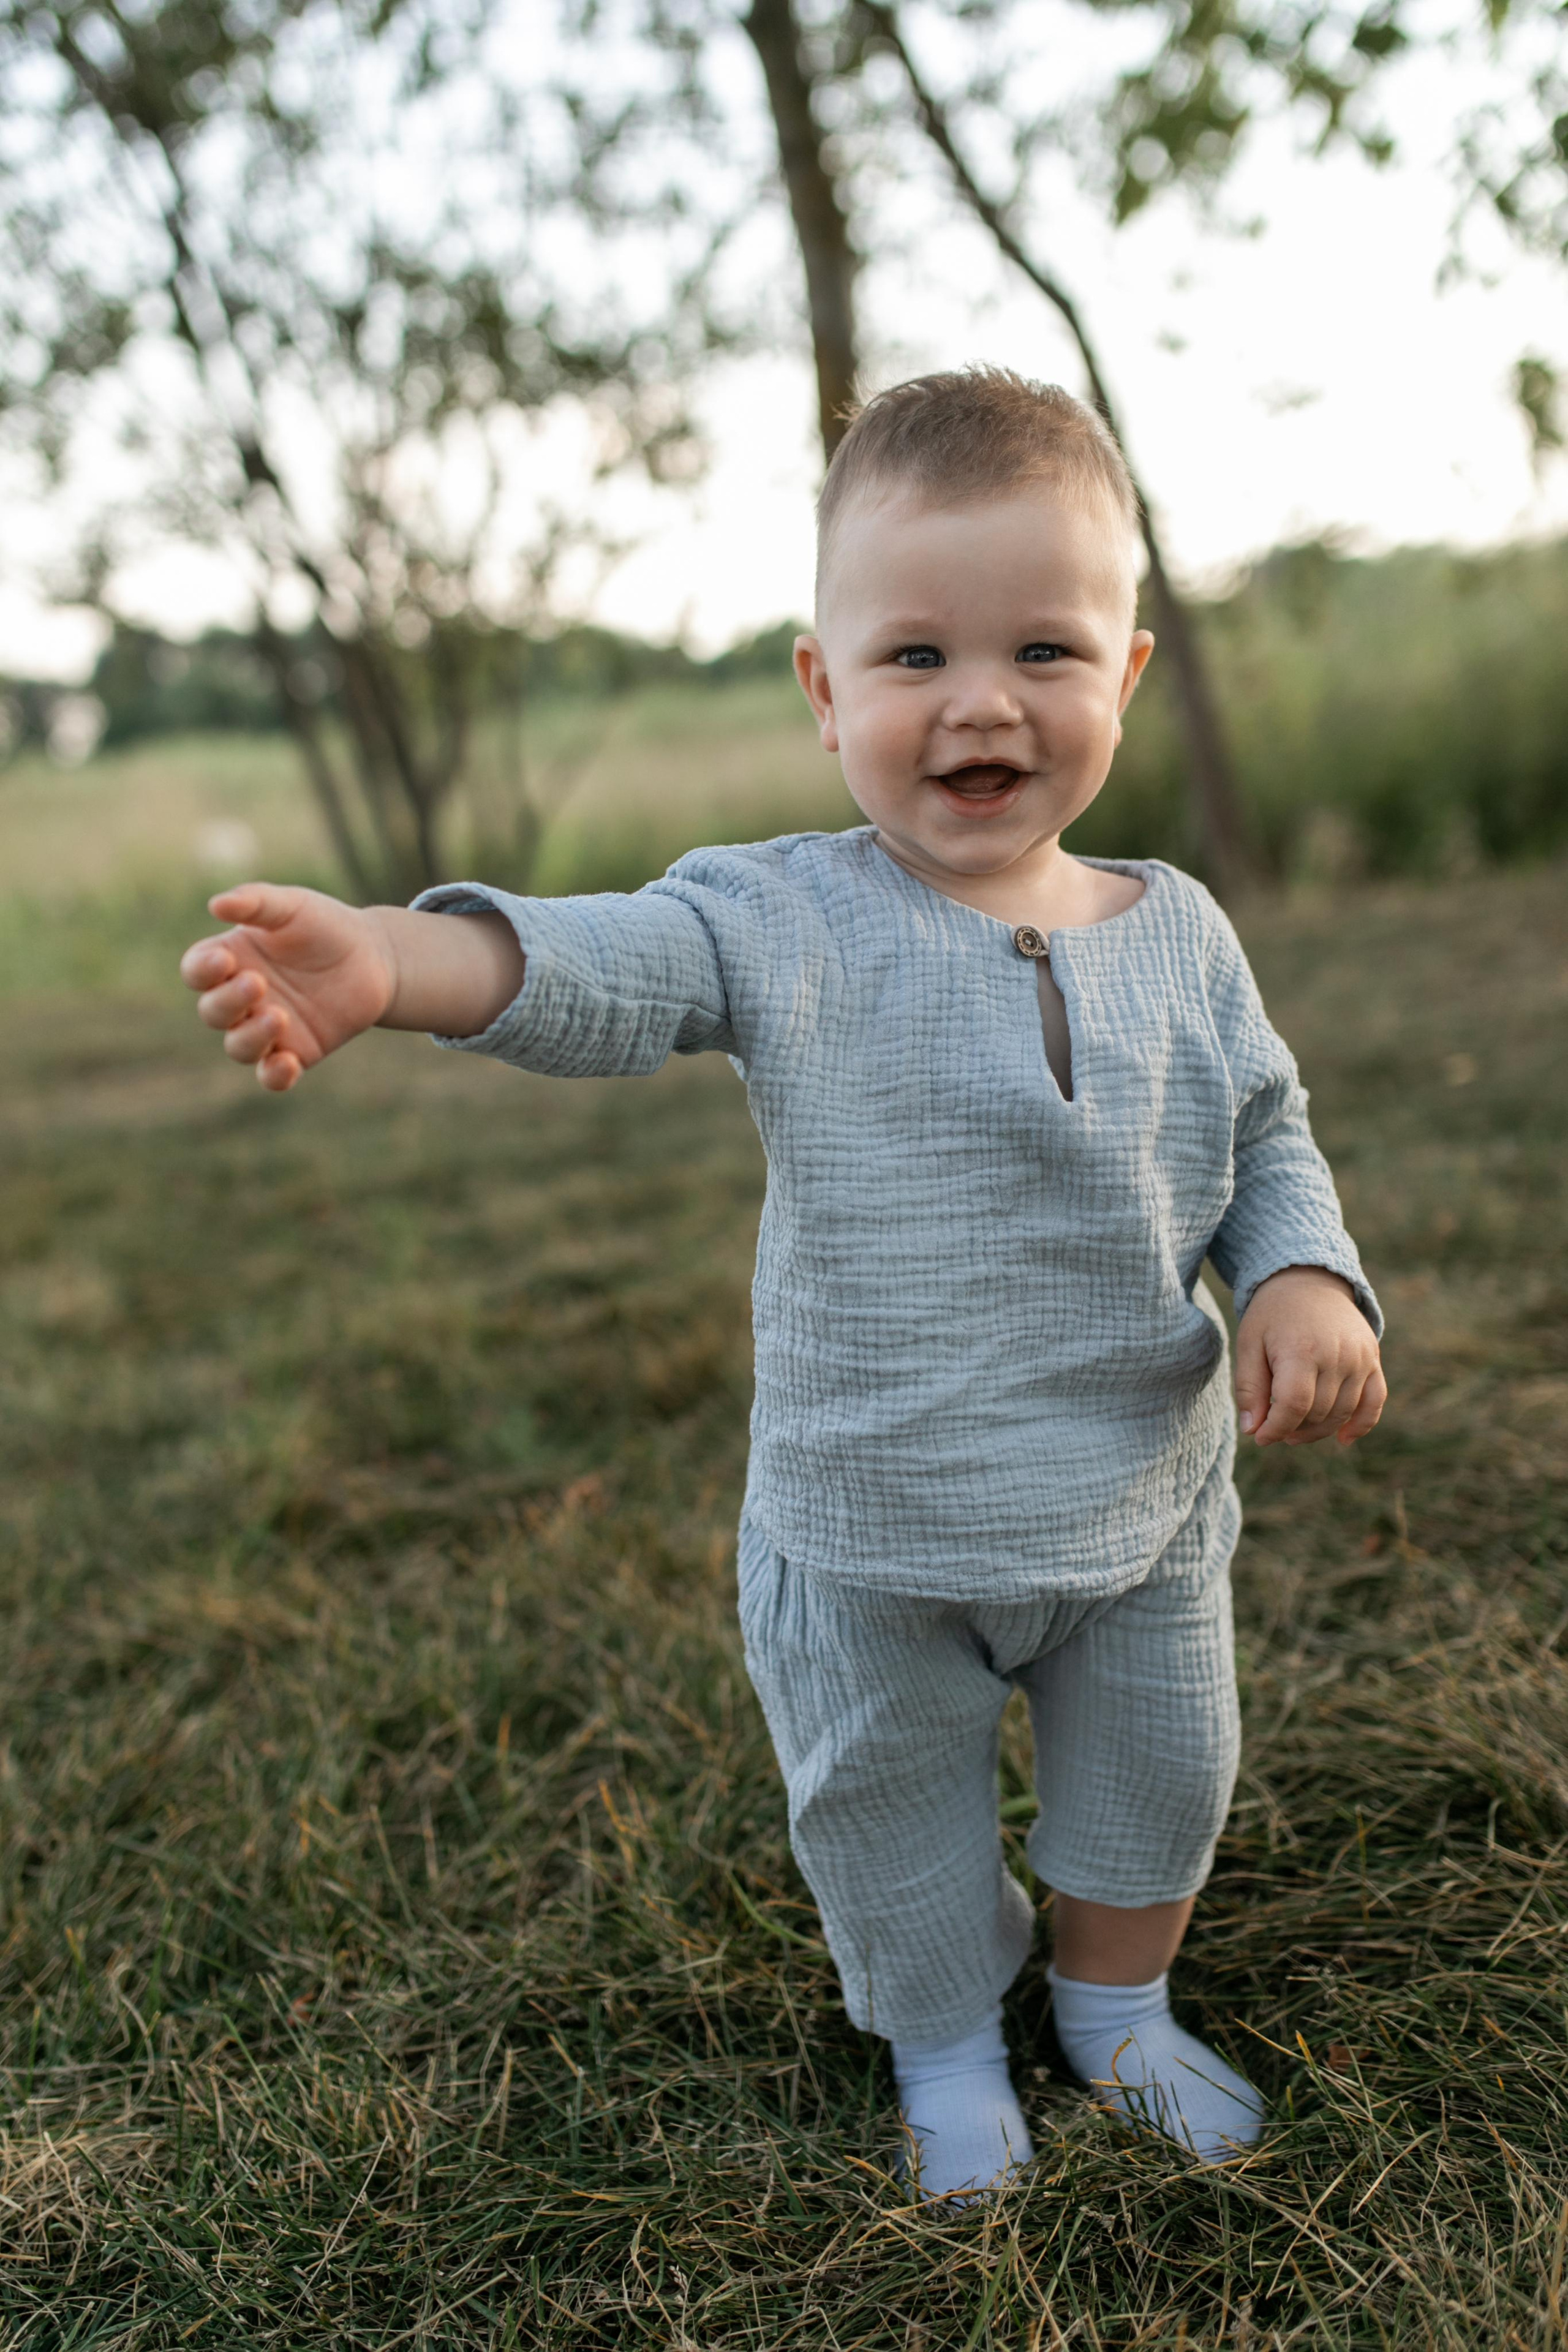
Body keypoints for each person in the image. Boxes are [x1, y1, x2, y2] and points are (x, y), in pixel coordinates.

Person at [179, 369, 1385, 2203]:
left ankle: (1115, 2011)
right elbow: (605, 964)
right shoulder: (783, 918)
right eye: (912, 657)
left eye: (1042, 650)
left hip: (1141, 1505)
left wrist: (1301, 1276)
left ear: (1125, 679)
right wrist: (399, 961)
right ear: (826, 695)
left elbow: (1266, 1127)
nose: (980, 701)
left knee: (1161, 1778)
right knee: (886, 1819)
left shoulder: (1185, 935)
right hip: (871, 1536)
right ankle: (952, 2040)